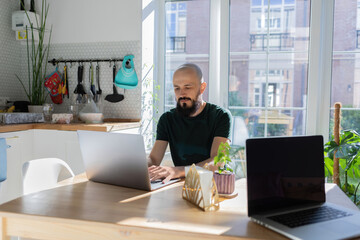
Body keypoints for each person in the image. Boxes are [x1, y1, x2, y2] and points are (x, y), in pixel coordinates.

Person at [148, 63, 231, 183]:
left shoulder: (221, 116)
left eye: (187, 87)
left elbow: (218, 162)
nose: (182, 94)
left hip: (212, 186)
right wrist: (140, 167)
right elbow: (153, 159)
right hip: (181, 185)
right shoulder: (167, 119)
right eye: (177, 88)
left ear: (202, 87)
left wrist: (178, 171)